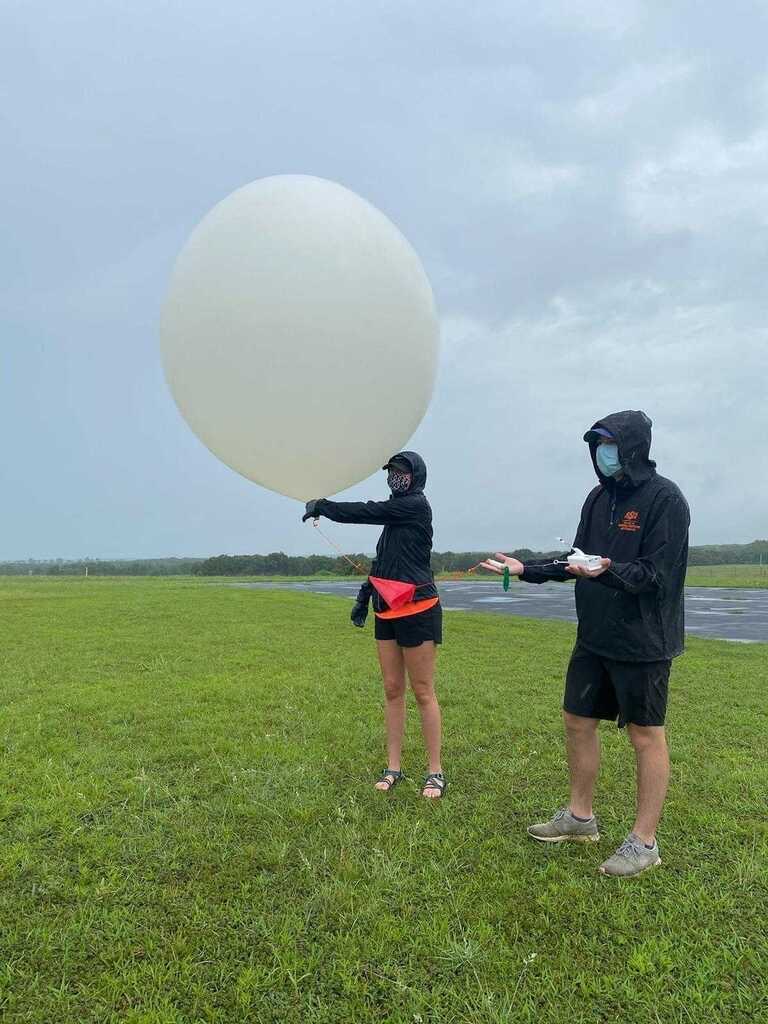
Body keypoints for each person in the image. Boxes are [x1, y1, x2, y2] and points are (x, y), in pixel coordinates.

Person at [485, 411, 689, 876]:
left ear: (634, 446)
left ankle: (644, 842)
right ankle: (580, 818)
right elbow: (575, 559)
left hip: (644, 640)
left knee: (644, 734)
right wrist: (526, 569)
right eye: (597, 444)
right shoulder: (598, 498)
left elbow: (656, 575)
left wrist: (608, 569)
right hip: (594, 635)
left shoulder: (665, 500)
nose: (603, 452)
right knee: (577, 720)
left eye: (610, 442)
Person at [302, 451, 446, 799]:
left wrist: (324, 505)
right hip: (387, 611)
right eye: (392, 471)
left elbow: (367, 510)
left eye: (402, 472)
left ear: (415, 477)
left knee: (423, 691)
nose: (396, 477)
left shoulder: (414, 506)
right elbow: (382, 563)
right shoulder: (393, 523)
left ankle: (435, 772)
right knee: (393, 690)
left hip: (418, 609)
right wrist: (363, 596)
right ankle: (393, 766)